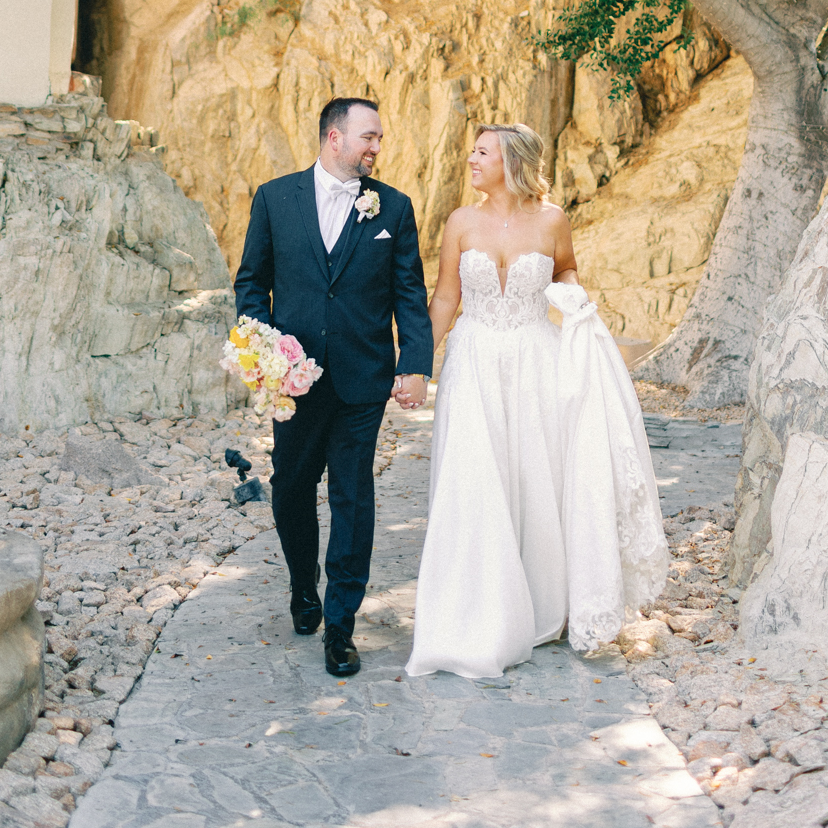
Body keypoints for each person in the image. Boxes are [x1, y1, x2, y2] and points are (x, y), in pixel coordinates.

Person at [406, 122, 667, 680]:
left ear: (512, 160)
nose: (470, 159)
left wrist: (571, 295)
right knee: (474, 477)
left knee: (534, 476)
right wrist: (418, 364)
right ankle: (473, 613)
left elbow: (566, 266)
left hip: (536, 359)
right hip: (473, 360)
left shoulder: (552, 220)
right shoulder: (460, 222)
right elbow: (447, 295)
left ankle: (541, 606)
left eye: (481, 152)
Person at [235, 97, 433, 678]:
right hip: (292, 384)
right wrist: (264, 353)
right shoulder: (275, 198)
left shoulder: (393, 207)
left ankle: (342, 627)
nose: (375, 147)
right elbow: (253, 283)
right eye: (367, 136)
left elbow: (409, 295)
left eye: (378, 138)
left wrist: (413, 362)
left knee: (352, 496)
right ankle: (303, 588)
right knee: (292, 489)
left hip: (361, 381)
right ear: (333, 137)